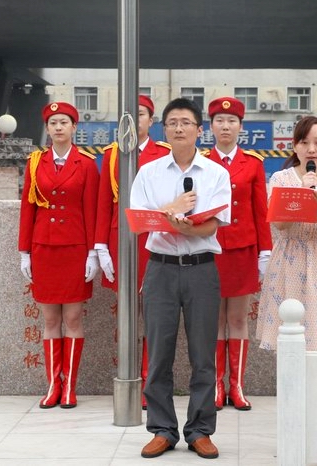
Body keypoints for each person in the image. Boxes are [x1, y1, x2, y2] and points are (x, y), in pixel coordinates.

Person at [130, 98, 231, 459]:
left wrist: (185, 227)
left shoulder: (216, 173)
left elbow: (213, 224)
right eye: (172, 122)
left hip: (202, 269)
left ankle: (200, 430)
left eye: (186, 122)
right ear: (164, 129)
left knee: (203, 355)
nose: (178, 128)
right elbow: (138, 221)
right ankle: (162, 429)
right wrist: (172, 210)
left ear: (199, 130)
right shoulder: (149, 172)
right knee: (159, 353)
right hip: (160, 269)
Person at [18, 102, 100, 408]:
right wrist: (24, 252)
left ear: (74, 127)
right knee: (50, 318)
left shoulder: (87, 164)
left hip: (75, 249)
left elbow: (92, 210)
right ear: (47, 129)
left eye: (64, 122)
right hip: (44, 249)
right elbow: (28, 209)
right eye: (53, 123)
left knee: (73, 317)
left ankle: (70, 388)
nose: (58, 127)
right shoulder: (35, 163)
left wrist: (93, 253)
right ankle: (53, 385)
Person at [93, 95, 171, 410]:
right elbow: (103, 203)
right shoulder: (112, 154)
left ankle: (149, 381)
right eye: (129, 114)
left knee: (153, 316)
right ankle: (127, 376)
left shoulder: (163, 153)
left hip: (155, 241)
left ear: (151, 120)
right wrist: (100, 246)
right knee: (127, 314)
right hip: (121, 242)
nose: (135, 120)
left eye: (140, 114)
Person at [256, 116, 317, 352]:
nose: (311, 149)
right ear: (295, 146)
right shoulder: (280, 179)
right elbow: (279, 224)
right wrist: (302, 194)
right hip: (289, 259)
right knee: (288, 334)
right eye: (304, 142)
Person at [204, 97, 272, 411]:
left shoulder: (253, 163)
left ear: (240, 127)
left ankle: (237, 386)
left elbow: (261, 213)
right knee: (215, 319)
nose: (225, 126)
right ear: (211, 126)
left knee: (238, 319)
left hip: (243, 250)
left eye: (231, 121)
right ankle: (217, 385)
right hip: (211, 248)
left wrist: (265, 252)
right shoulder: (202, 162)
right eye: (219, 121)